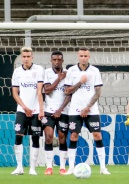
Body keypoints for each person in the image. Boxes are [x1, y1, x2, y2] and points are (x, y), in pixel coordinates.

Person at [63, 47, 110, 175]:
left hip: (92, 110)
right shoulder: (71, 71)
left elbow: (98, 92)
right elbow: (67, 91)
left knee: (97, 135)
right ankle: (71, 168)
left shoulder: (95, 71)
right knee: (73, 136)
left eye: (86, 56)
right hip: (74, 110)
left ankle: (103, 168)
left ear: (89, 57)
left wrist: (87, 107)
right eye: (81, 56)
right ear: (78, 57)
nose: (83, 58)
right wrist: (80, 81)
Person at [11, 47, 44, 175]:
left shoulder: (39, 70)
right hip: (21, 110)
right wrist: (24, 107)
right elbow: (15, 93)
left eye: (28, 56)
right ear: (21, 57)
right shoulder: (17, 72)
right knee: (18, 136)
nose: (26, 59)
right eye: (24, 56)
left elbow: (39, 92)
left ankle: (32, 168)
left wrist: (41, 109)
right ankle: (19, 167)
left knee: (35, 138)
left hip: (36, 110)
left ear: (32, 57)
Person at [43, 51, 72, 175]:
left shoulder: (68, 74)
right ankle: (49, 167)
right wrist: (58, 79)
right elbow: (47, 90)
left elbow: (69, 94)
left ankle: (62, 167)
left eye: (59, 60)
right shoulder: (47, 73)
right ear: (51, 61)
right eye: (54, 60)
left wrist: (60, 110)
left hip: (64, 111)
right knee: (49, 137)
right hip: (48, 111)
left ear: (62, 61)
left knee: (62, 138)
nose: (56, 62)